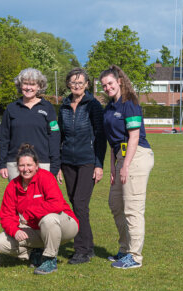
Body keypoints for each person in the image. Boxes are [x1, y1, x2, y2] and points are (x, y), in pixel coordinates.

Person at [99, 65, 154, 269]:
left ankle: (135, 256)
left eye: (110, 83)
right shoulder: (110, 107)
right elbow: (111, 141)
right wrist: (113, 167)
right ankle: (124, 248)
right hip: (120, 158)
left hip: (136, 156)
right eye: (104, 85)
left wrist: (126, 165)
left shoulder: (129, 103)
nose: (107, 87)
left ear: (119, 81)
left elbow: (134, 136)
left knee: (132, 208)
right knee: (115, 204)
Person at [0, 144, 78, 275]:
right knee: (1, 242)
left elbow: (56, 204)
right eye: (22, 165)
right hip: (35, 229)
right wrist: (15, 230)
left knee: (48, 219)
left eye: (29, 165)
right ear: (17, 167)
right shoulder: (13, 186)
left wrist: (29, 213)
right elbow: (6, 216)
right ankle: (35, 252)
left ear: (36, 165)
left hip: (65, 225)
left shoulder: (46, 177)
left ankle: (50, 259)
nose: (25, 169)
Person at [57, 68, 107, 264]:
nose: (76, 86)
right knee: (75, 204)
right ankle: (88, 245)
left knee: (80, 204)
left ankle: (82, 250)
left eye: (80, 83)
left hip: (87, 161)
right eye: (73, 82)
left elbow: (100, 137)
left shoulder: (93, 105)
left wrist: (98, 164)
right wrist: (58, 164)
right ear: (68, 84)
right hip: (68, 161)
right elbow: (60, 135)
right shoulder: (64, 105)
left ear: (87, 85)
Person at [0, 68, 60, 181]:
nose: (28, 88)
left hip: (42, 163)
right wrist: (2, 164)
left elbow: (54, 137)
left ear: (39, 86)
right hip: (15, 163)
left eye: (32, 84)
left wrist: (55, 165)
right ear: (20, 85)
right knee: (19, 198)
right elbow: (4, 138)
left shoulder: (48, 108)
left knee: (40, 198)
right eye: (25, 83)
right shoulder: (11, 108)